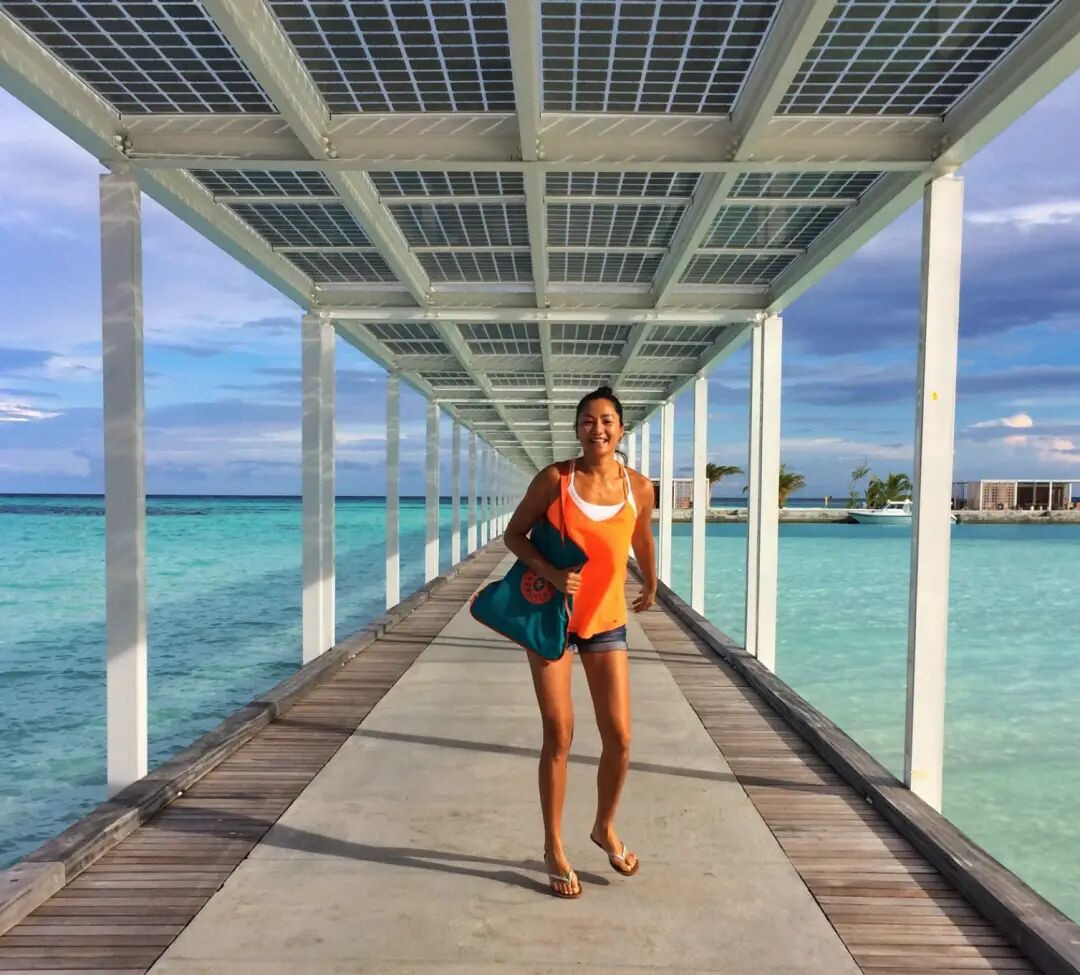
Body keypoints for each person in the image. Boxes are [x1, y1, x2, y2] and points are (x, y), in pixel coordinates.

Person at [504, 385, 657, 898]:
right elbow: (514, 534)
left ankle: (603, 827)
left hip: (606, 622)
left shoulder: (639, 487)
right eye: (588, 420)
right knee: (560, 735)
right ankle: (554, 846)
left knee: (621, 738)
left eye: (607, 420)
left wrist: (651, 580)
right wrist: (551, 572)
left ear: (621, 429)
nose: (598, 429)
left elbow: (641, 535)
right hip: (553, 620)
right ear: (576, 429)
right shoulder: (556, 480)